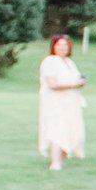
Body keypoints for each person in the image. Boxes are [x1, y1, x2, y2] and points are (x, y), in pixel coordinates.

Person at [38, 34, 87, 171]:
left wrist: (80, 83)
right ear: (53, 46)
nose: (62, 48)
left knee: (70, 129)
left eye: (65, 45)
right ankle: (55, 162)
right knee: (57, 130)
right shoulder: (50, 61)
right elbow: (53, 84)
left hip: (71, 102)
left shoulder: (69, 63)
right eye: (59, 45)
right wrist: (74, 84)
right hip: (55, 102)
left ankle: (63, 159)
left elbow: (76, 80)